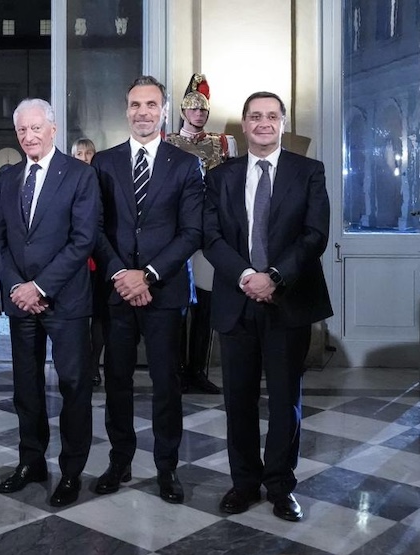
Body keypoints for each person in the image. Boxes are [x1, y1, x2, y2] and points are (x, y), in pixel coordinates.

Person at [204, 92, 331, 522]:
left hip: (288, 300)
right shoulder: (220, 177)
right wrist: (247, 276)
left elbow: (314, 235)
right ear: (243, 124)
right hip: (236, 301)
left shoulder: (308, 171)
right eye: (255, 116)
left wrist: (274, 276)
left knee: (284, 401)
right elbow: (211, 236)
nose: (263, 123)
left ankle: (280, 486)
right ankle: (243, 482)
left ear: (282, 122)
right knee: (238, 400)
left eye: (271, 116)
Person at [91, 76, 203, 504]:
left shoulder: (185, 164)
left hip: (165, 291)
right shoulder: (104, 163)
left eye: (151, 104)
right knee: (116, 381)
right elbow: (95, 228)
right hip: (117, 290)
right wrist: (123, 274)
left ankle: (166, 468)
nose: (143, 112)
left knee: (166, 384)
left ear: (164, 110)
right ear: (126, 110)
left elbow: (191, 232)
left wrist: (149, 275)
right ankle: (119, 460)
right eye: (136, 104)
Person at [0, 99, 100, 508]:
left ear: (53, 129)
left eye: (36, 128)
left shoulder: (80, 175)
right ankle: (31, 462)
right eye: (22, 129)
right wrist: (18, 286)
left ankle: (71, 472)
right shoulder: (8, 178)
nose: (29, 136)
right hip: (21, 301)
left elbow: (83, 240)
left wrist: (40, 287)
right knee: (26, 388)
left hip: (65, 300)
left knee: (73, 387)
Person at [164, 74, 238, 395]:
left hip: (210, 230)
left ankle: (197, 370)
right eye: (193, 109)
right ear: (183, 111)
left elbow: (232, 187)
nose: (198, 114)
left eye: (203, 110)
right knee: (178, 304)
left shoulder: (223, 143)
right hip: (177, 231)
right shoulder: (167, 142)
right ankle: (177, 370)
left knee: (206, 306)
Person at [71, 137, 105, 388]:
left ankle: (94, 365)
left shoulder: (103, 180)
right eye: (79, 153)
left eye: (89, 153)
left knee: (99, 315)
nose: (84, 158)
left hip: (100, 258)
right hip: (75, 260)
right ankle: (80, 364)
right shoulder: (67, 181)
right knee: (79, 316)